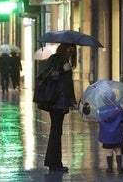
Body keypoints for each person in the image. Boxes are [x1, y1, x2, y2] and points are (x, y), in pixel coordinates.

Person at [41, 43, 77, 172]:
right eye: (68, 51)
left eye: (72, 52)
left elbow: (68, 84)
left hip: (62, 101)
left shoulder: (65, 60)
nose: (70, 53)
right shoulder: (55, 59)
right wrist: (62, 70)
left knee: (57, 131)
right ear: (63, 49)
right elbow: (47, 75)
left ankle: (54, 162)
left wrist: (72, 100)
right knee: (56, 131)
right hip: (55, 101)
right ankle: (54, 164)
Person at [96, 98, 123, 174]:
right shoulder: (119, 108)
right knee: (118, 150)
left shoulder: (100, 109)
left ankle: (110, 168)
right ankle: (119, 167)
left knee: (109, 151)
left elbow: (98, 120)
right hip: (117, 133)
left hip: (107, 135)